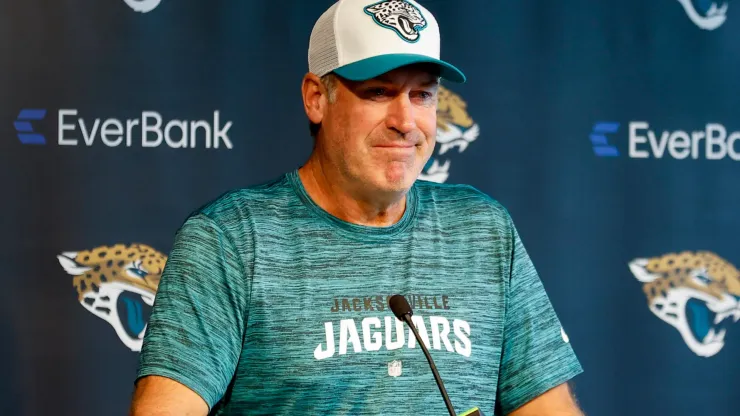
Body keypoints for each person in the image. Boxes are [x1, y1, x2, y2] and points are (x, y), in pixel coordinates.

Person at [129, 0, 585, 414]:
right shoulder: (230, 238)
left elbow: (547, 407)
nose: (406, 122)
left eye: (422, 94)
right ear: (316, 98)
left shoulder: (482, 229)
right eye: (378, 92)